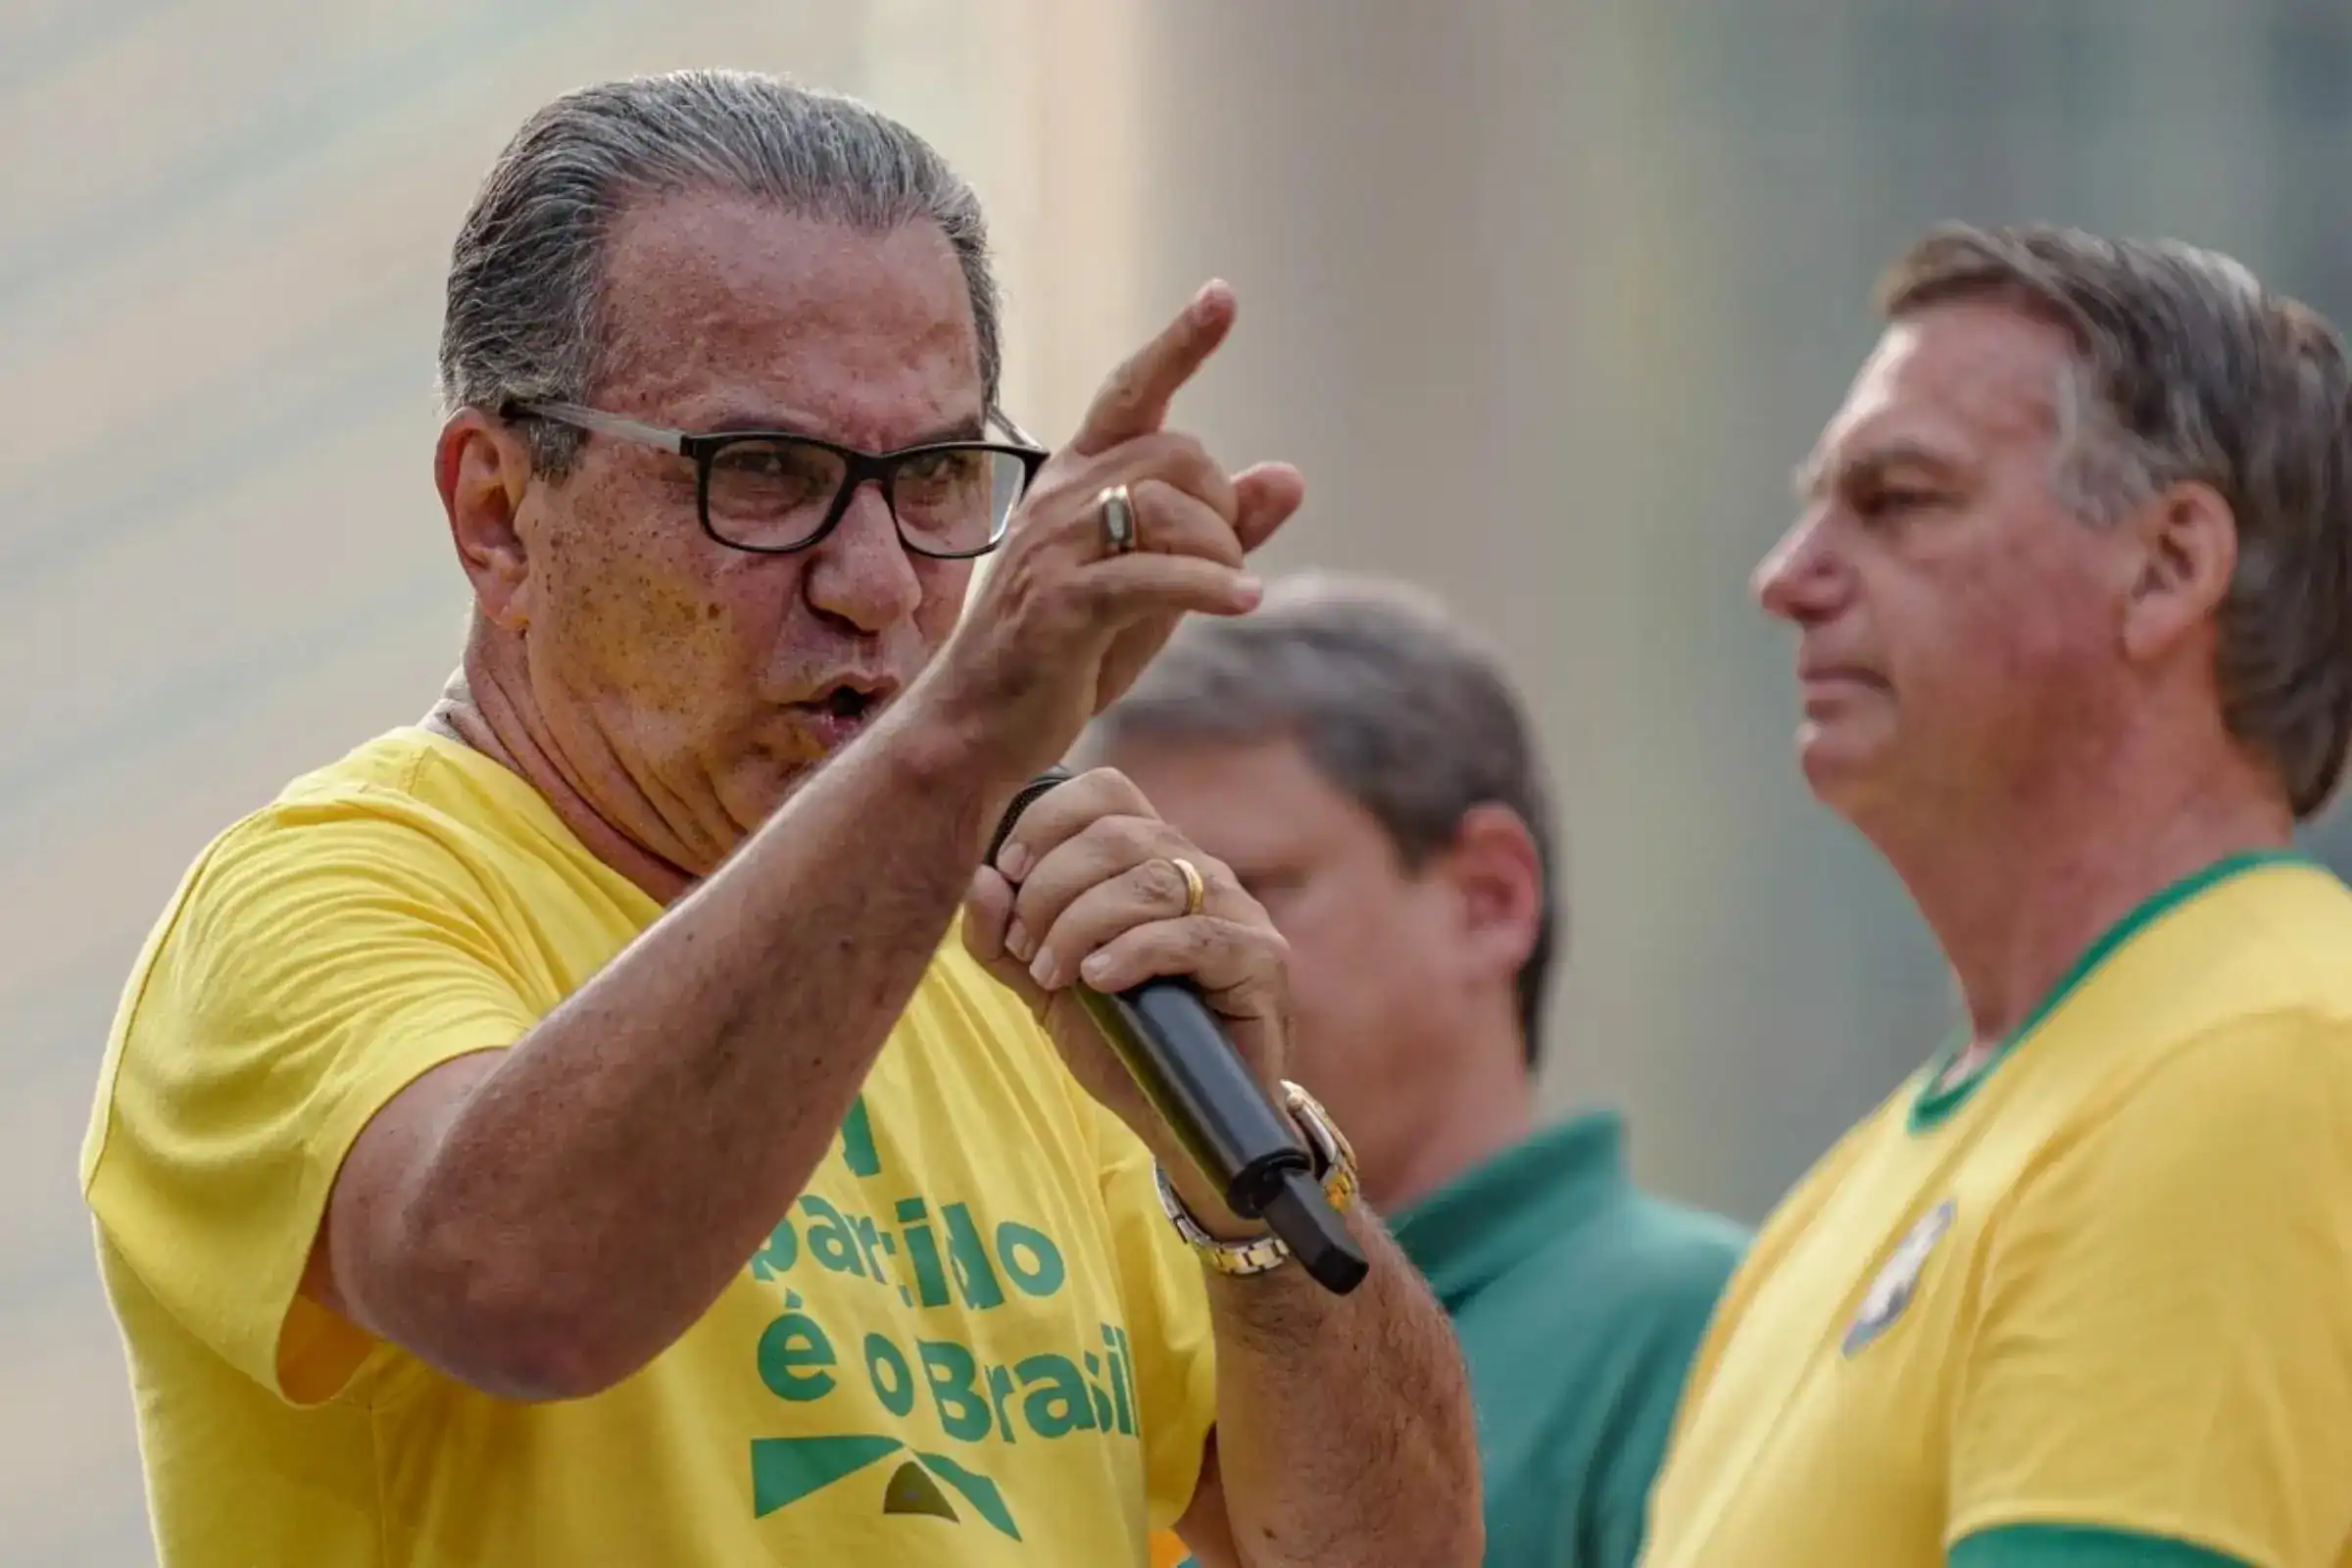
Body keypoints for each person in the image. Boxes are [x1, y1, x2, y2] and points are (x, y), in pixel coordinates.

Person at [78, 70, 1481, 1568]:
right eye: (764, 475)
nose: (875, 584)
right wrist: (960, 743)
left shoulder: (1026, 969)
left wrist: (1250, 1184)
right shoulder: (313, 905)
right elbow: (525, 1292)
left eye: (934, 479)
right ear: (498, 514)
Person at [1642, 222, 2352, 1568]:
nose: (1785, 579)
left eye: (1898, 499)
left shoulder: (2256, 1061)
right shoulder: (1835, 1204)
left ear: (2168, 565)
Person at [1087, 573, 1748, 1568]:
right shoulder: (1136, 1340)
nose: (1166, 959)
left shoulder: (1700, 1324)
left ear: (1488, 899)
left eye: (1244, 891)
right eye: (1126, 907)